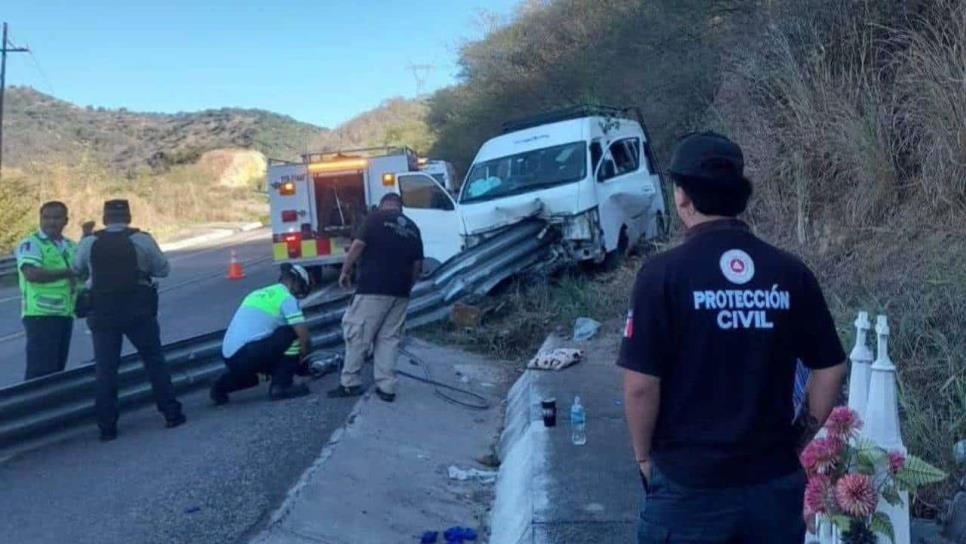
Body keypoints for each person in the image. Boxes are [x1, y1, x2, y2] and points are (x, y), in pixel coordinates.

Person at [618, 132, 847, 543]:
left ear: (682, 198)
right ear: (740, 196)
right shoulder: (789, 273)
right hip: (772, 485)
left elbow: (639, 387)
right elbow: (830, 367)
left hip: (688, 490)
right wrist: (800, 436)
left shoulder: (660, 276)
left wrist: (643, 457)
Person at [73, 199, 185, 442]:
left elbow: (77, 268)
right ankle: (171, 413)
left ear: (104, 218)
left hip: (102, 313)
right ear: (129, 216)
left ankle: (107, 427)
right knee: (154, 361)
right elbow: (163, 269)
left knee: (106, 370)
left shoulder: (91, 242)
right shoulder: (142, 239)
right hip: (138, 310)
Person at [328, 192, 423, 402]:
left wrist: (345, 271)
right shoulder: (413, 227)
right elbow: (418, 265)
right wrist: (408, 286)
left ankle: (350, 383)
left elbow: (358, 246)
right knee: (389, 339)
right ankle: (386, 387)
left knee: (357, 334)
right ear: (400, 207)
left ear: (382, 205)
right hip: (400, 292)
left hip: (373, 289)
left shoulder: (374, 219)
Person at [211, 263, 313, 404]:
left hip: (230, 356)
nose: (298, 293)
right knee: (291, 334)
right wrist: (304, 357)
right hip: (249, 353)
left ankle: (219, 387)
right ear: (293, 281)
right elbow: (303, 334)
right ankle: (281, 386)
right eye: (300, 287)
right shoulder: (286, 298)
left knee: (253, 378)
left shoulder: (257, 294)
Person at [15, 202, 92, 380]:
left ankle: (52, 405)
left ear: (65, 220)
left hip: (64, 314)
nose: (51, 222)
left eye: (56, 218)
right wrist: (68, 272)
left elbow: (81, 273)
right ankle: (34, 406)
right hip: (41, 316)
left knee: (57, 369)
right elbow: (31, 274)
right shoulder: (31, 244)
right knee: (40, 371)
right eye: (46, 217)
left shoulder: (70, 246)